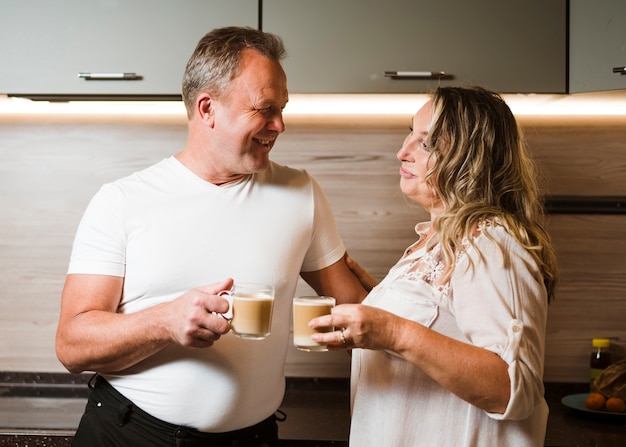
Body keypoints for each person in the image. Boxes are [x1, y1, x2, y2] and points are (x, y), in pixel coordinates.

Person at [55, 26, 366, 447]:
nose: (279, 125)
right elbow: (73, 346)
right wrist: (165, 322)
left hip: (253, 439)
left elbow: (355, 308)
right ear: (207, 109)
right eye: (264, 109)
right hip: (127, 433)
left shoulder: (301, 193)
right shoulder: (121, 201)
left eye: (283, 109)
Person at [310, 86, 559, 446]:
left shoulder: (491, 241)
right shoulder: (437, 240)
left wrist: (395, 330)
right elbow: (448, 326)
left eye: (426, 144)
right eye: (409, 133)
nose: (403, 152)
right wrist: (381, 300)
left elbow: (512, 389)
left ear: (469, 159)